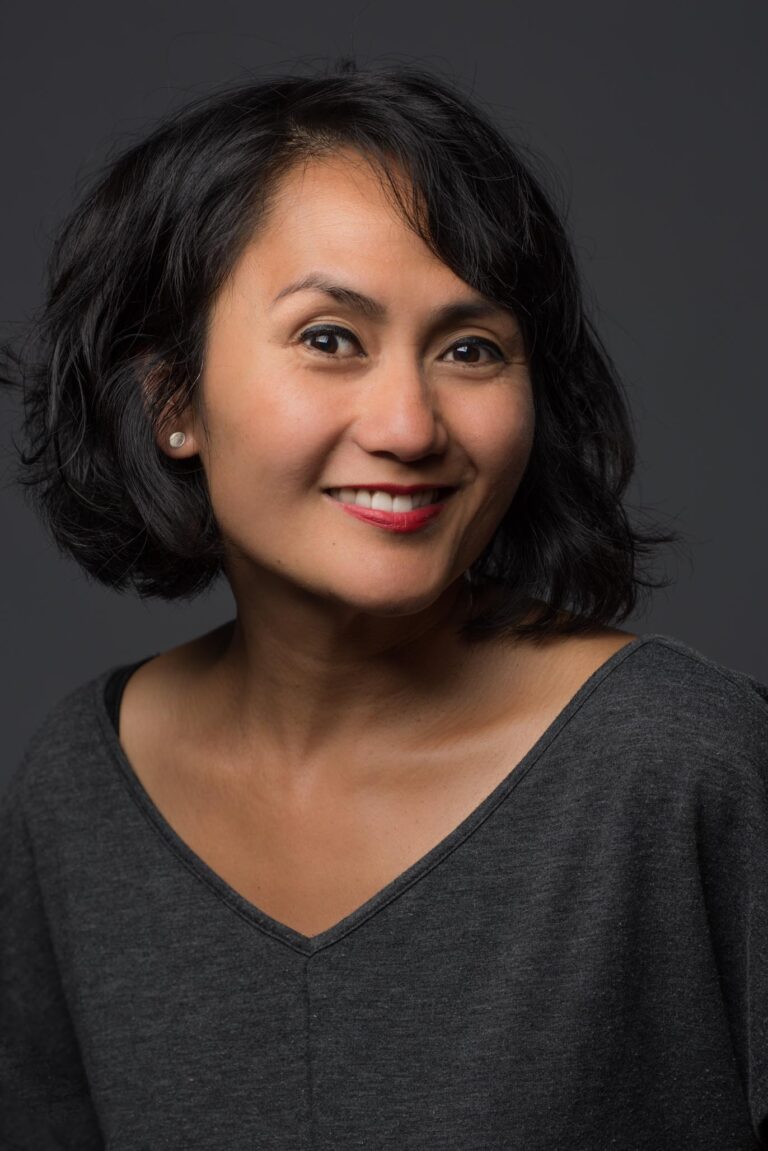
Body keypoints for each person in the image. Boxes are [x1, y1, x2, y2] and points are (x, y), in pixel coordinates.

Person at [1, 58, 766, 1151]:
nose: (410, 425)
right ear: (174, 400)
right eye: (330, 339)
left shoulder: (688, 765)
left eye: (470, 349)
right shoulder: (76, 787)